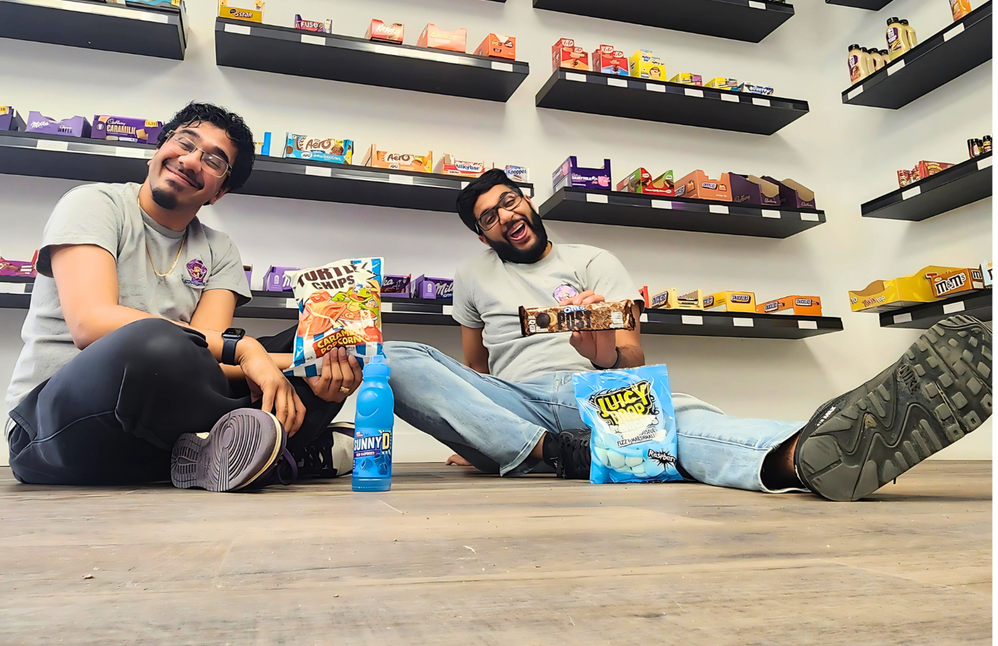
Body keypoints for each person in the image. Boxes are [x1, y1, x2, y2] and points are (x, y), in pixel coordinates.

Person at [384, 169, 992, 501]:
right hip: (514, 401)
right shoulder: (472, 277)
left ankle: (807, 453)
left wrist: (600, 346)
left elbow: (632, 359)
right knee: (394, 357)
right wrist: (472, 427)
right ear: (481, 235)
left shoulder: (592, 261)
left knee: (675, 423)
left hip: (590, 387)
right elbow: (474, 371)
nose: (506, 216)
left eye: (510, 201)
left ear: (527, 201)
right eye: (489, 216)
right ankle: (550, 451)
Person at [5, 101, 360, 491]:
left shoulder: (219, 249)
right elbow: (90, 323)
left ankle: (225, 454)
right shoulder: (93, 204)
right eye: (185, 143)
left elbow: (205, 368)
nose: (191, 161)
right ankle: (277, 452)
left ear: (219, 192)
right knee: (155, 340)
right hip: (52, 432)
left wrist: (310, 365)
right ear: (158, 149)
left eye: (213, 161)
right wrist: (245, 349)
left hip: (155, 437)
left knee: (325, 342)